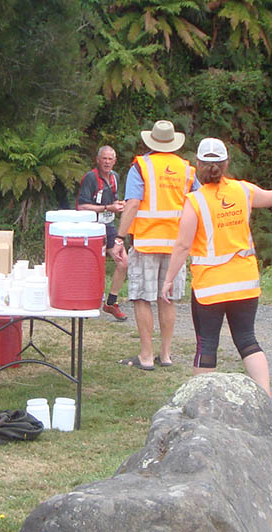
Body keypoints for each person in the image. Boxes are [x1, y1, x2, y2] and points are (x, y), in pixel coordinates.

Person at [162, 138, 272, 395]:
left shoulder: (195, 201)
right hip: (245, 283)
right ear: (226, 164)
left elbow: (183, 246)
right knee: (247, 340)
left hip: (210, 288)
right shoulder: (243, 190)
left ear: (197, 165)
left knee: (207, 344)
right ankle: (266, 397)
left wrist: (168, 280)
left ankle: (202, 404)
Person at [116, 120, 195, 370]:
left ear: (151, 141)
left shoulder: (141, 166)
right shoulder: (186, 169)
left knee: (142, 298)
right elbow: (197, 204)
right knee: (167, 298)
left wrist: (119, 237)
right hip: (176, 245)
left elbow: (133, 204)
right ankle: (166, 354)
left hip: (146, 243)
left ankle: (147, 356)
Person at [75, 145, 129, 320]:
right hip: (91, 228)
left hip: (109, 226)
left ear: (115, 161)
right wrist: (107, 207)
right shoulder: (91, 178)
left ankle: (111, 302)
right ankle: (83, 302)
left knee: (123, 262)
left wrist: (119, 205)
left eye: (110, 159)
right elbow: (81, 206)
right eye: (104, 158)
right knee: (90, 265)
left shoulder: (115, 177)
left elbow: (113, 200)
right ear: (98, 160)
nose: (107, 162)